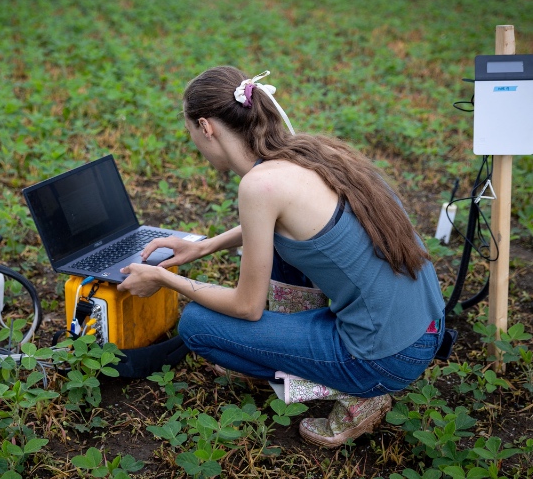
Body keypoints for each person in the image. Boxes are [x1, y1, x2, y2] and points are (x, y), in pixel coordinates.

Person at [117, 66, 445, 448]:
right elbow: (287, 224)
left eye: (190, 132)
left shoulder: (258, 185)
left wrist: (163, 278)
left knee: (196, 326)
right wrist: (204, 245)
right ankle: (298, 350)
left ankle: (354, 393)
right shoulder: (306, 153)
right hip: (423, 329)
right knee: (277, 247)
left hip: (382, 360)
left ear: (206, 127)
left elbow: (246, 307)